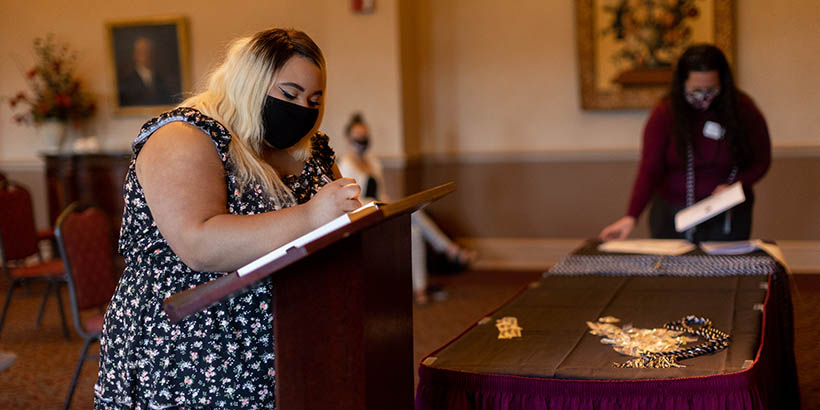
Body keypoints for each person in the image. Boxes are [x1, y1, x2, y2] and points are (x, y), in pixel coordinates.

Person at [95, 28, 362, 409]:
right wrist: (312, 215)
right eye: (289, 94)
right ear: (248, 83)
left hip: (294, 336)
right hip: (196, 350)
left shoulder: (311, 149)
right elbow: (199, 244)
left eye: (313, 99)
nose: (302, 108)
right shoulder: (185, 135)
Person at [599, 44, 771, 243]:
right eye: (696, 89)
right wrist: (631, 216)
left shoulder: (744, 110)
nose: (704, 96)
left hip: (728, 213)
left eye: (711, 89)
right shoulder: (665, 113)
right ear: (682, 83)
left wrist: (736, 184)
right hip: (673, 213)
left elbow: (762, 160)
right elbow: (649, 169)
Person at [337, 113, 476, 305]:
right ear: (348, 139)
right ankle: (449, 248)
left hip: (380, 209)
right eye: (357, 136)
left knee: (414, 229)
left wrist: (390, 203)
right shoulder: (346, 164)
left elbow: (382, 192)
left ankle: (419, 289)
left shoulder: (373, 162)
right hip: (364, 215)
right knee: (414, 216)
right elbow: (352, 200)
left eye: (365, 135)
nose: (362, 140)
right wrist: (379, 203)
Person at [118, 37, 176, 106]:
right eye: (142, 51)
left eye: (149, 51)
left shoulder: (161, 79)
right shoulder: (127, 81)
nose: (147, 55)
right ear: (135, 55)